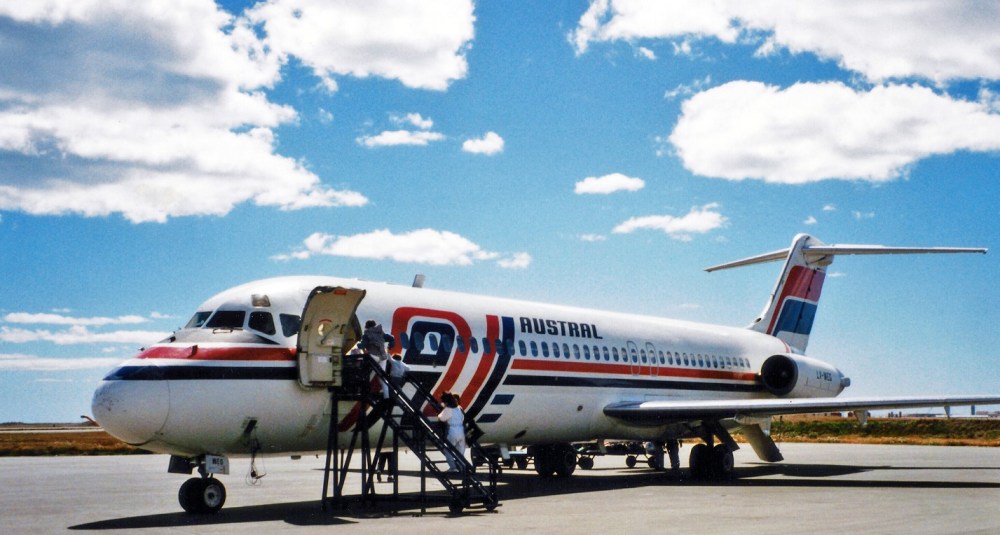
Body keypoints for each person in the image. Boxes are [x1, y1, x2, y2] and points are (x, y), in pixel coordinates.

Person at [438, 392, 467, 472]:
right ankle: (462, 467)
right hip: (461, 430)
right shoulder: (459, 408)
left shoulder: (448, 409)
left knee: (448, 450)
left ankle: (453, 468)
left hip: (452, 431)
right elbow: (463, 418)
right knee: (460, 452)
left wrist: (440, 413)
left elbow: (441, 418)